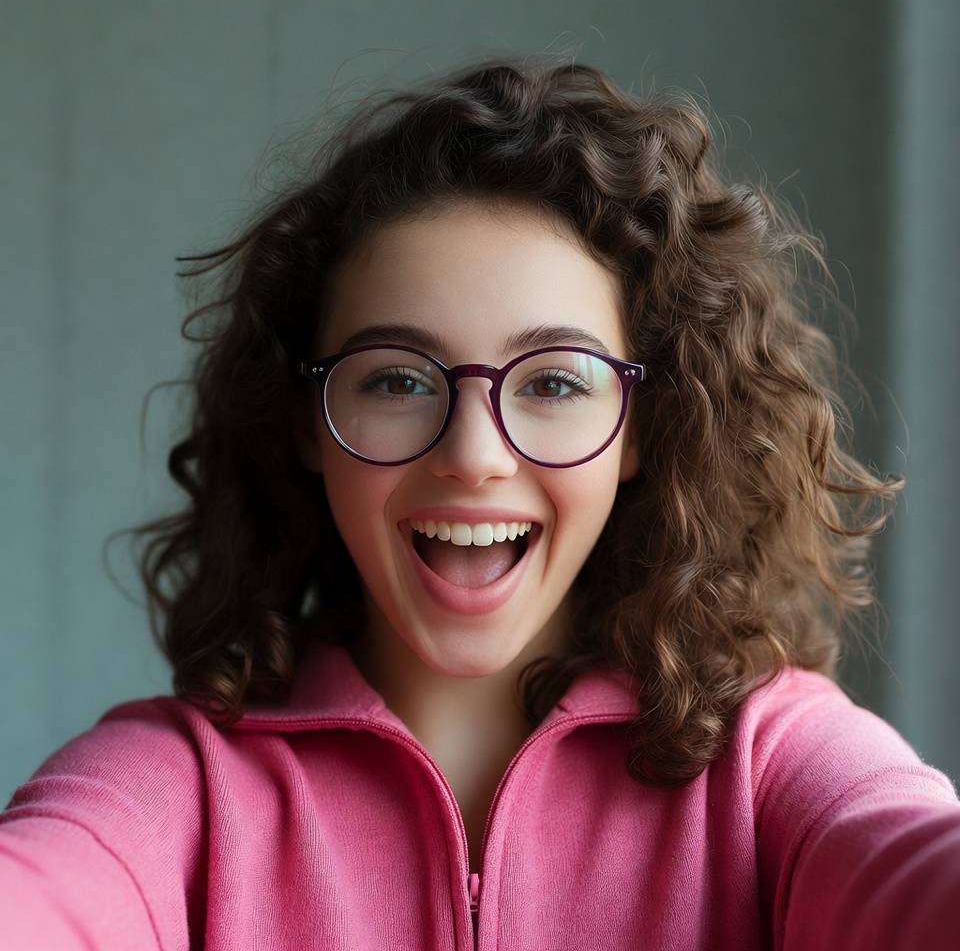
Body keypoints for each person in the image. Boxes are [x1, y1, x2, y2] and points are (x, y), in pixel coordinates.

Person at [2, 58, 959, 950]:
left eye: (553, 383)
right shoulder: (173, 790)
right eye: (396, 381)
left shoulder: (772, 765)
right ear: (305, 421)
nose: (474, 456)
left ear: (639, 429)